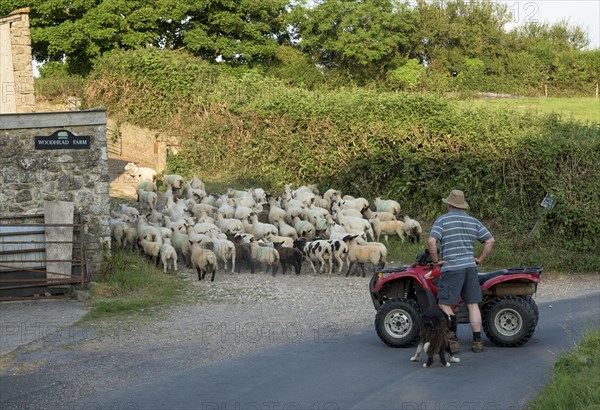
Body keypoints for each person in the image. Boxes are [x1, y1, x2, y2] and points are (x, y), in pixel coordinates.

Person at [427, 189, 495, 353]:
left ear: (449, 204)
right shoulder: (473, 221)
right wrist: (479, 259)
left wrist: (436, 261)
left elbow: (431, 241)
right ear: (462, 205)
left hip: (452, 269)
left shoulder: (443, 221)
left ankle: (453, 338)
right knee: (473, 305)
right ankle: (477, 342)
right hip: (470, 268)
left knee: (444, 303)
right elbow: (490, 240)